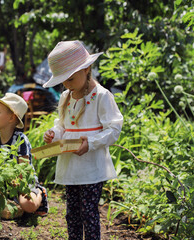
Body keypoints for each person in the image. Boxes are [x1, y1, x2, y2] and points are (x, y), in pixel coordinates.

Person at [42, 40, 123, 239]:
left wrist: (91, 143)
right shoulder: (66, 97)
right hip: (71, 165)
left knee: (89, 213)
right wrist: (54, 134)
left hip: (92, 166)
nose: (67, 84)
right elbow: (63, 125)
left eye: (70, 78)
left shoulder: (102, 96)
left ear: (86, 69)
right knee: (72, 214)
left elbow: (114, 128)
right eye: (63, 80)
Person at [0, 93, 48, 219]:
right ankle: (6, 199)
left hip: (21, 181)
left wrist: (15, 187)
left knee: (28, 205)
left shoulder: (20, 140)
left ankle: (40, 192)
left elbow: (23, 170)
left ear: (11, 118)